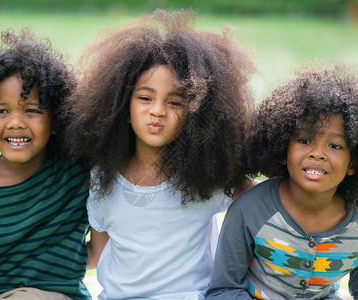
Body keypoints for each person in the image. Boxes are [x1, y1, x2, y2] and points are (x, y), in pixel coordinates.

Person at [62, 9, 257, 300]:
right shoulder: (102, 179)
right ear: (120, 109)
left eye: (175, 101)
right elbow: (99, 254)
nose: (157, 110)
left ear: (196, 113)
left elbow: (262, 204)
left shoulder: (208, 179)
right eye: (145, 97)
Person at [206, 62, 358, 299]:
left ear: (354, 163)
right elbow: (223, 290)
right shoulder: (249, 210)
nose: (317, 153)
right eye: (304, 140)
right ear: (283, 148)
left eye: (334, 145)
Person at [0, 28, 91, 300]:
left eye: (31, 110)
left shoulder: (75, 173)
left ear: (56, 120)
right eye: (1, 111)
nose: (16, 122)